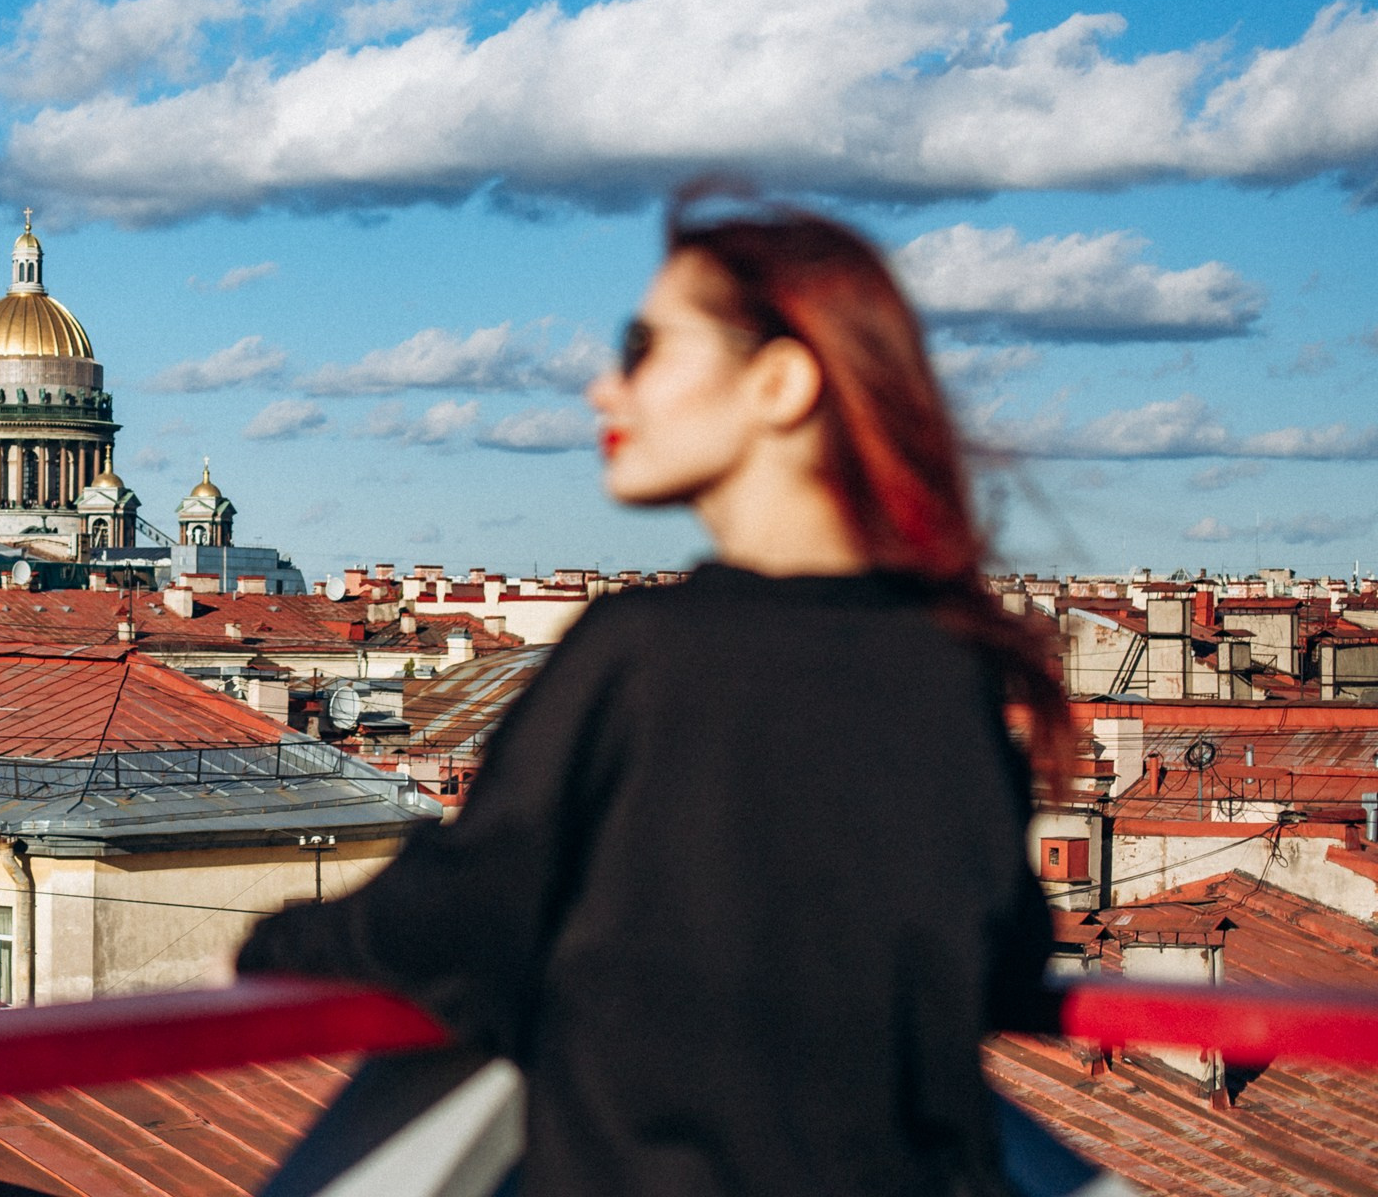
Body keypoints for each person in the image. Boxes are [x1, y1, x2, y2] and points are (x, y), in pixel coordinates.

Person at [237, 190, 1068, 1196]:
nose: (602, 388)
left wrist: (270, 945)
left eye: (641, 349)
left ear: (779, 382)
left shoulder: (647, 651)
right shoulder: (950, 664)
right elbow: (1008, 948)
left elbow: (459, 920)